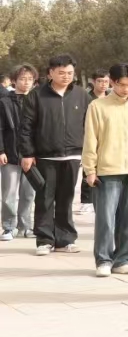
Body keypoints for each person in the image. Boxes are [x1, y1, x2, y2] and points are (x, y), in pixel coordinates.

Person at [82, 63, 128, 276]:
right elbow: (90, 139)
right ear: (112, 82)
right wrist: (89, 170)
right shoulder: (97, 106)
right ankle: (103, 259)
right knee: (105, 218)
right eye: (121, 84)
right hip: (107, 170)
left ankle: (123, 259)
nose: (125, 89)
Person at [21, 54, 90, 255]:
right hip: (45, 156)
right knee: (44, 198)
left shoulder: (81, 95)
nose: (66, 76)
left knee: (66, 199)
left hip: (73, 155)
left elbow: (89, 125)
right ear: (50, 73)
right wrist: (27, 153)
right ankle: (44, 240)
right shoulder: (36, 95)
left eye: (69, 72)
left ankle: (65, 239)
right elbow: (26, 127)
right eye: (61, 72)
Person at [1, 65, 38, 241]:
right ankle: (9, 227)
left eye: (30, 79)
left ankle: (26, 226)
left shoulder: (37, 100)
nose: (26, 82)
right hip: (10, 154)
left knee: (29, 193)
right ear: (14, 80)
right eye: (22, 79)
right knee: (9, 194)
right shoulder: (4, 101)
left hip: (31, 154)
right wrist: (1, 150)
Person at [77, 69, 111, 216]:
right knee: (88, 168)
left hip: (107, 137)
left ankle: (102, 197)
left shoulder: (111, 98)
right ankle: (86, 201)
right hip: (89, 135)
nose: (103, 84)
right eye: (100, 81)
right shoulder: (86, 98)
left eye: (106, 81)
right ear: (93, 82)